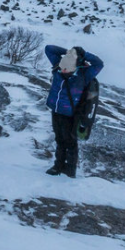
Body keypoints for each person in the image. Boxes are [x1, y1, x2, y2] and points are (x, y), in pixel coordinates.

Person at [44, 44, 104, 178]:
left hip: (71, 114)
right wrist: (69, 53)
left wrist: (82, 54)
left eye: (66, 69)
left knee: (70, 142)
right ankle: (58, 166)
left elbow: (99, 64)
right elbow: (49, 48)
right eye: (62, 68)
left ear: (75, 66)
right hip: (56, 110)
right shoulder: (57, 67)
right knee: (59, 140)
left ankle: (70, 170)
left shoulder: (84, 74)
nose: (63, 71)